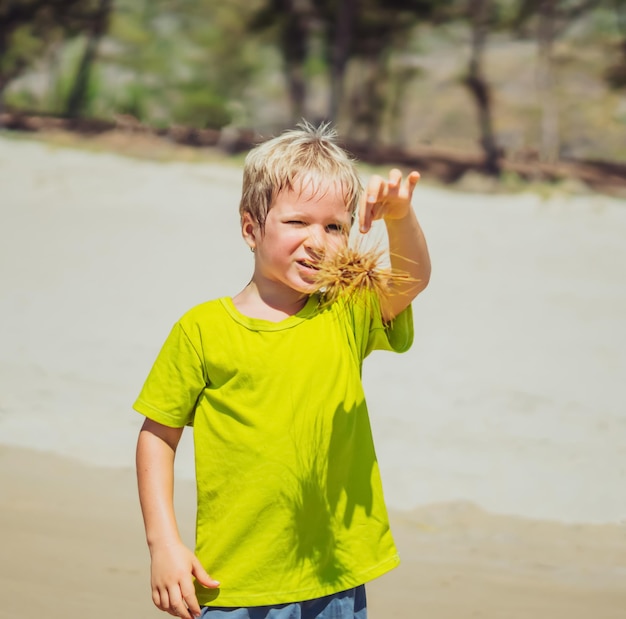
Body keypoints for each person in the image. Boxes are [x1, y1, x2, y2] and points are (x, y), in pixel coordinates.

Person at [134, 122, 431, 619]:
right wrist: (163, 545)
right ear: (251, 228)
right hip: (235, 579)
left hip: (335, 572)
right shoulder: (202, 329)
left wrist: (400, 216)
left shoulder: (347, 310)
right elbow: (156, 436)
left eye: (334, 226)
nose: (317, 241)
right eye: (297, 223)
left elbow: (411, 279)